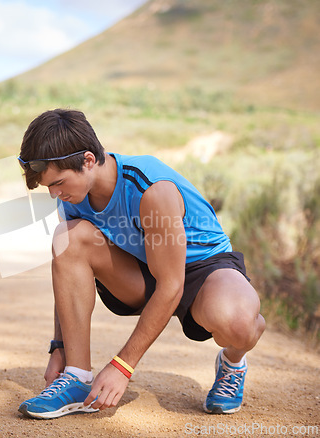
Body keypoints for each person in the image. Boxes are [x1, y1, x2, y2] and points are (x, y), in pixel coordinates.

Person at [16, 108, 265, 419]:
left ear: (89, 161)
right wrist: (59, 346)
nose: (54, 193)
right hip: (140, 268)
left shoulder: (150, 189)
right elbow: (67, 271)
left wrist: (122, 366)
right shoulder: (72, 197)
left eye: (59, 182)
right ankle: (76, 377)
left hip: (203, 268)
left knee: (238, 325)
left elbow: (172, 285)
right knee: (68, 237)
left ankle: (232, 362)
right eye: (48, 186)